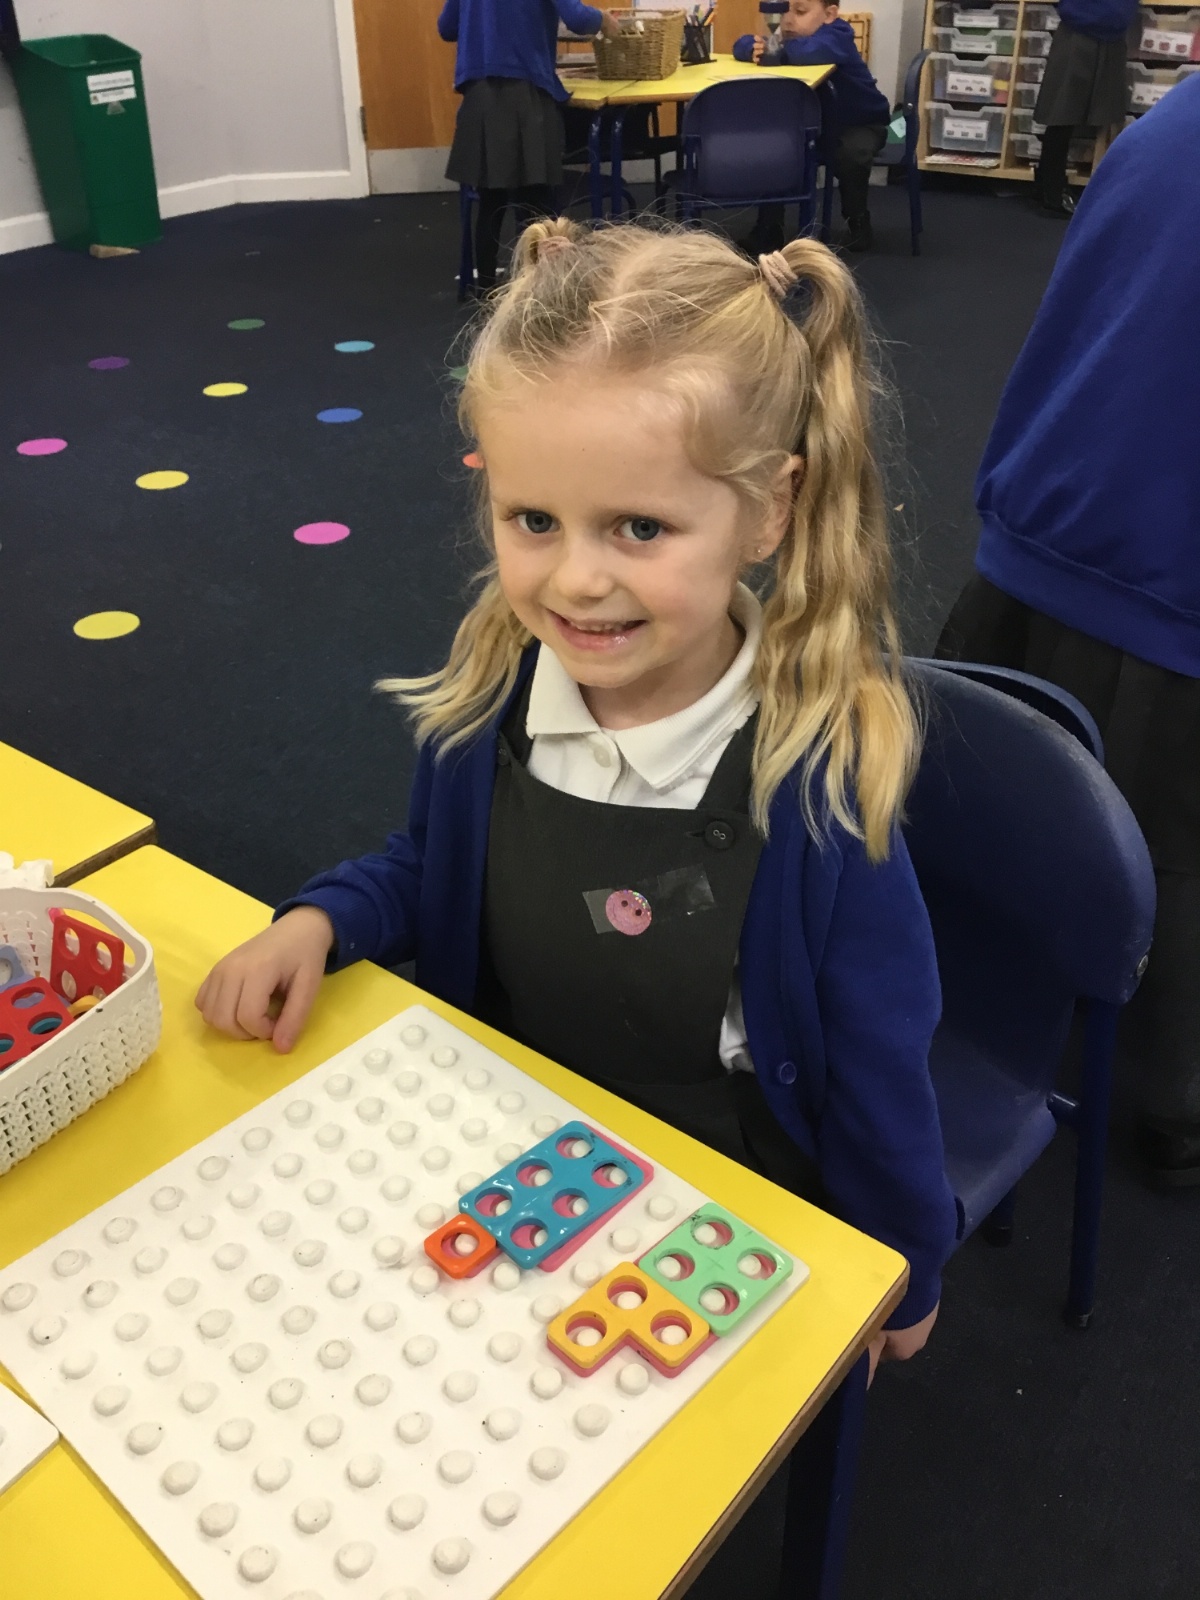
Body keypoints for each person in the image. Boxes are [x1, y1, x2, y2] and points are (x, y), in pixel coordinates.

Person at [198, 222, 954, 1389]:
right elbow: (435, 865)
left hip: (720, 1198)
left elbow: (878, 1063)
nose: (577, 579)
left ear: (769, 510)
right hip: (509, 1131)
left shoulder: (816, 786)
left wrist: (905, 1259)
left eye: (639, 528)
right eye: (533, 521)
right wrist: (324, 917)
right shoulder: (492, 698)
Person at [937, 77, 1200, 1186]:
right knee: (1168, 863)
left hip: (1036, 535)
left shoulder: (1172, 120)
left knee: (996, 821)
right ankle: (1176, 1109)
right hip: (1170, 598)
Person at [437, 0, 621, 292]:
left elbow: (446, 28)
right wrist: (603, 20)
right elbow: (576, 18)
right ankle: (535, 291)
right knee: (534, 203)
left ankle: (486, 292)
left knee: (490, 202)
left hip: (479, 98)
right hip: (527, 96)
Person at [733, 0, 891, 251]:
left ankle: (858, 220)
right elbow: (742, 43)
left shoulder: (838, 35)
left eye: (800, 11)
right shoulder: (783, 37)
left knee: (853, 154)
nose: (787, 19)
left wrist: (774, 51)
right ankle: (769, 227)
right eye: (784, 10)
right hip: (813, 126)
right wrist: (751, 49)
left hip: (860, 122)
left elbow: (813, 50)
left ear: (829, 14)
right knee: (776, 150)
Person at [1032, 0, 1139, 218]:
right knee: (1062, 112)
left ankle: (1056, 186)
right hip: (1078, 28)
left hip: (1113, 32)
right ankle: (1052, 191)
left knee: (1107, 113)